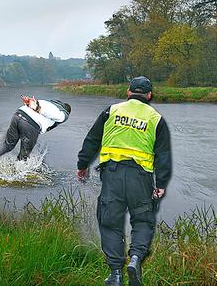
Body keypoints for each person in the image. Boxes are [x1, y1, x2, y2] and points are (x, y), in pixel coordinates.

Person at [77, 76, 172, 286]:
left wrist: (82, 165)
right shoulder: (156, 119)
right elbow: (163, 156)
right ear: (149, 95)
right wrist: (161, 185)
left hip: (112, 175)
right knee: (143, 221)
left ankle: (116, 274)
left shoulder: (111, 111)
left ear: (128, 92)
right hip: (141, 178)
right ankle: (136, 258)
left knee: (110, 223)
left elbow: (92, 140)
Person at [0, 95, 71, 174]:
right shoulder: (63, 114)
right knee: (24, 156)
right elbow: (55, 115)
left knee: (7, 145)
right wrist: (37, 108)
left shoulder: (48, 102)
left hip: (18, 115)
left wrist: (36, 106)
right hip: (31, 124)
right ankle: (17, 176)